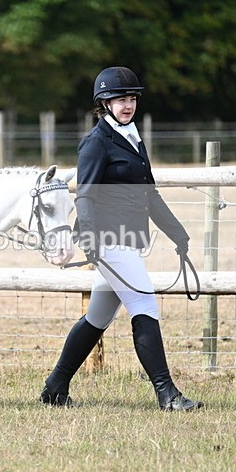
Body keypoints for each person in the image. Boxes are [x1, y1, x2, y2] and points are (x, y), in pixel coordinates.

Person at [39, 66, 203, 411]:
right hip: (108, 240)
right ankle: (167, 394)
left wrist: (178, 233)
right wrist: (92, 241)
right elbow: (85, 195)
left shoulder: (131, 138)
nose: (127, 105)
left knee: (97, 319)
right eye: (119, 99)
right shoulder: (96, 143)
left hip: (126, 240)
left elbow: (150, 194)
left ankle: (54, 388)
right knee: (144, 306)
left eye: (131, 99)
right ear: (104, 103)